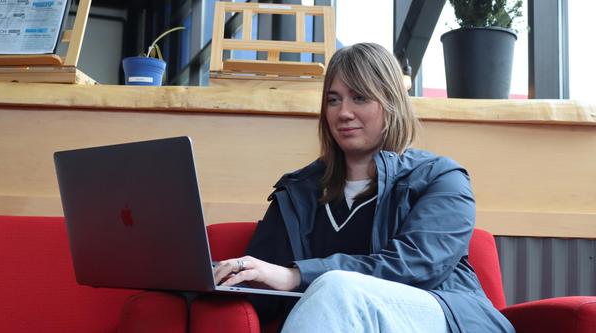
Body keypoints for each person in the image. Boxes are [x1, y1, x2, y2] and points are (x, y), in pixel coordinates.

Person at [213, 43, 514, 332]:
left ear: (391, 103)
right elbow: (261, 294)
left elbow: (414, 266)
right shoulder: (298, 192)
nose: (343, 112)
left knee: (336, 287)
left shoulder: (441, 178)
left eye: (359, 98)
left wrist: (297, 275)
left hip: (443, 316)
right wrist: (221, 279)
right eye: (333, 100)